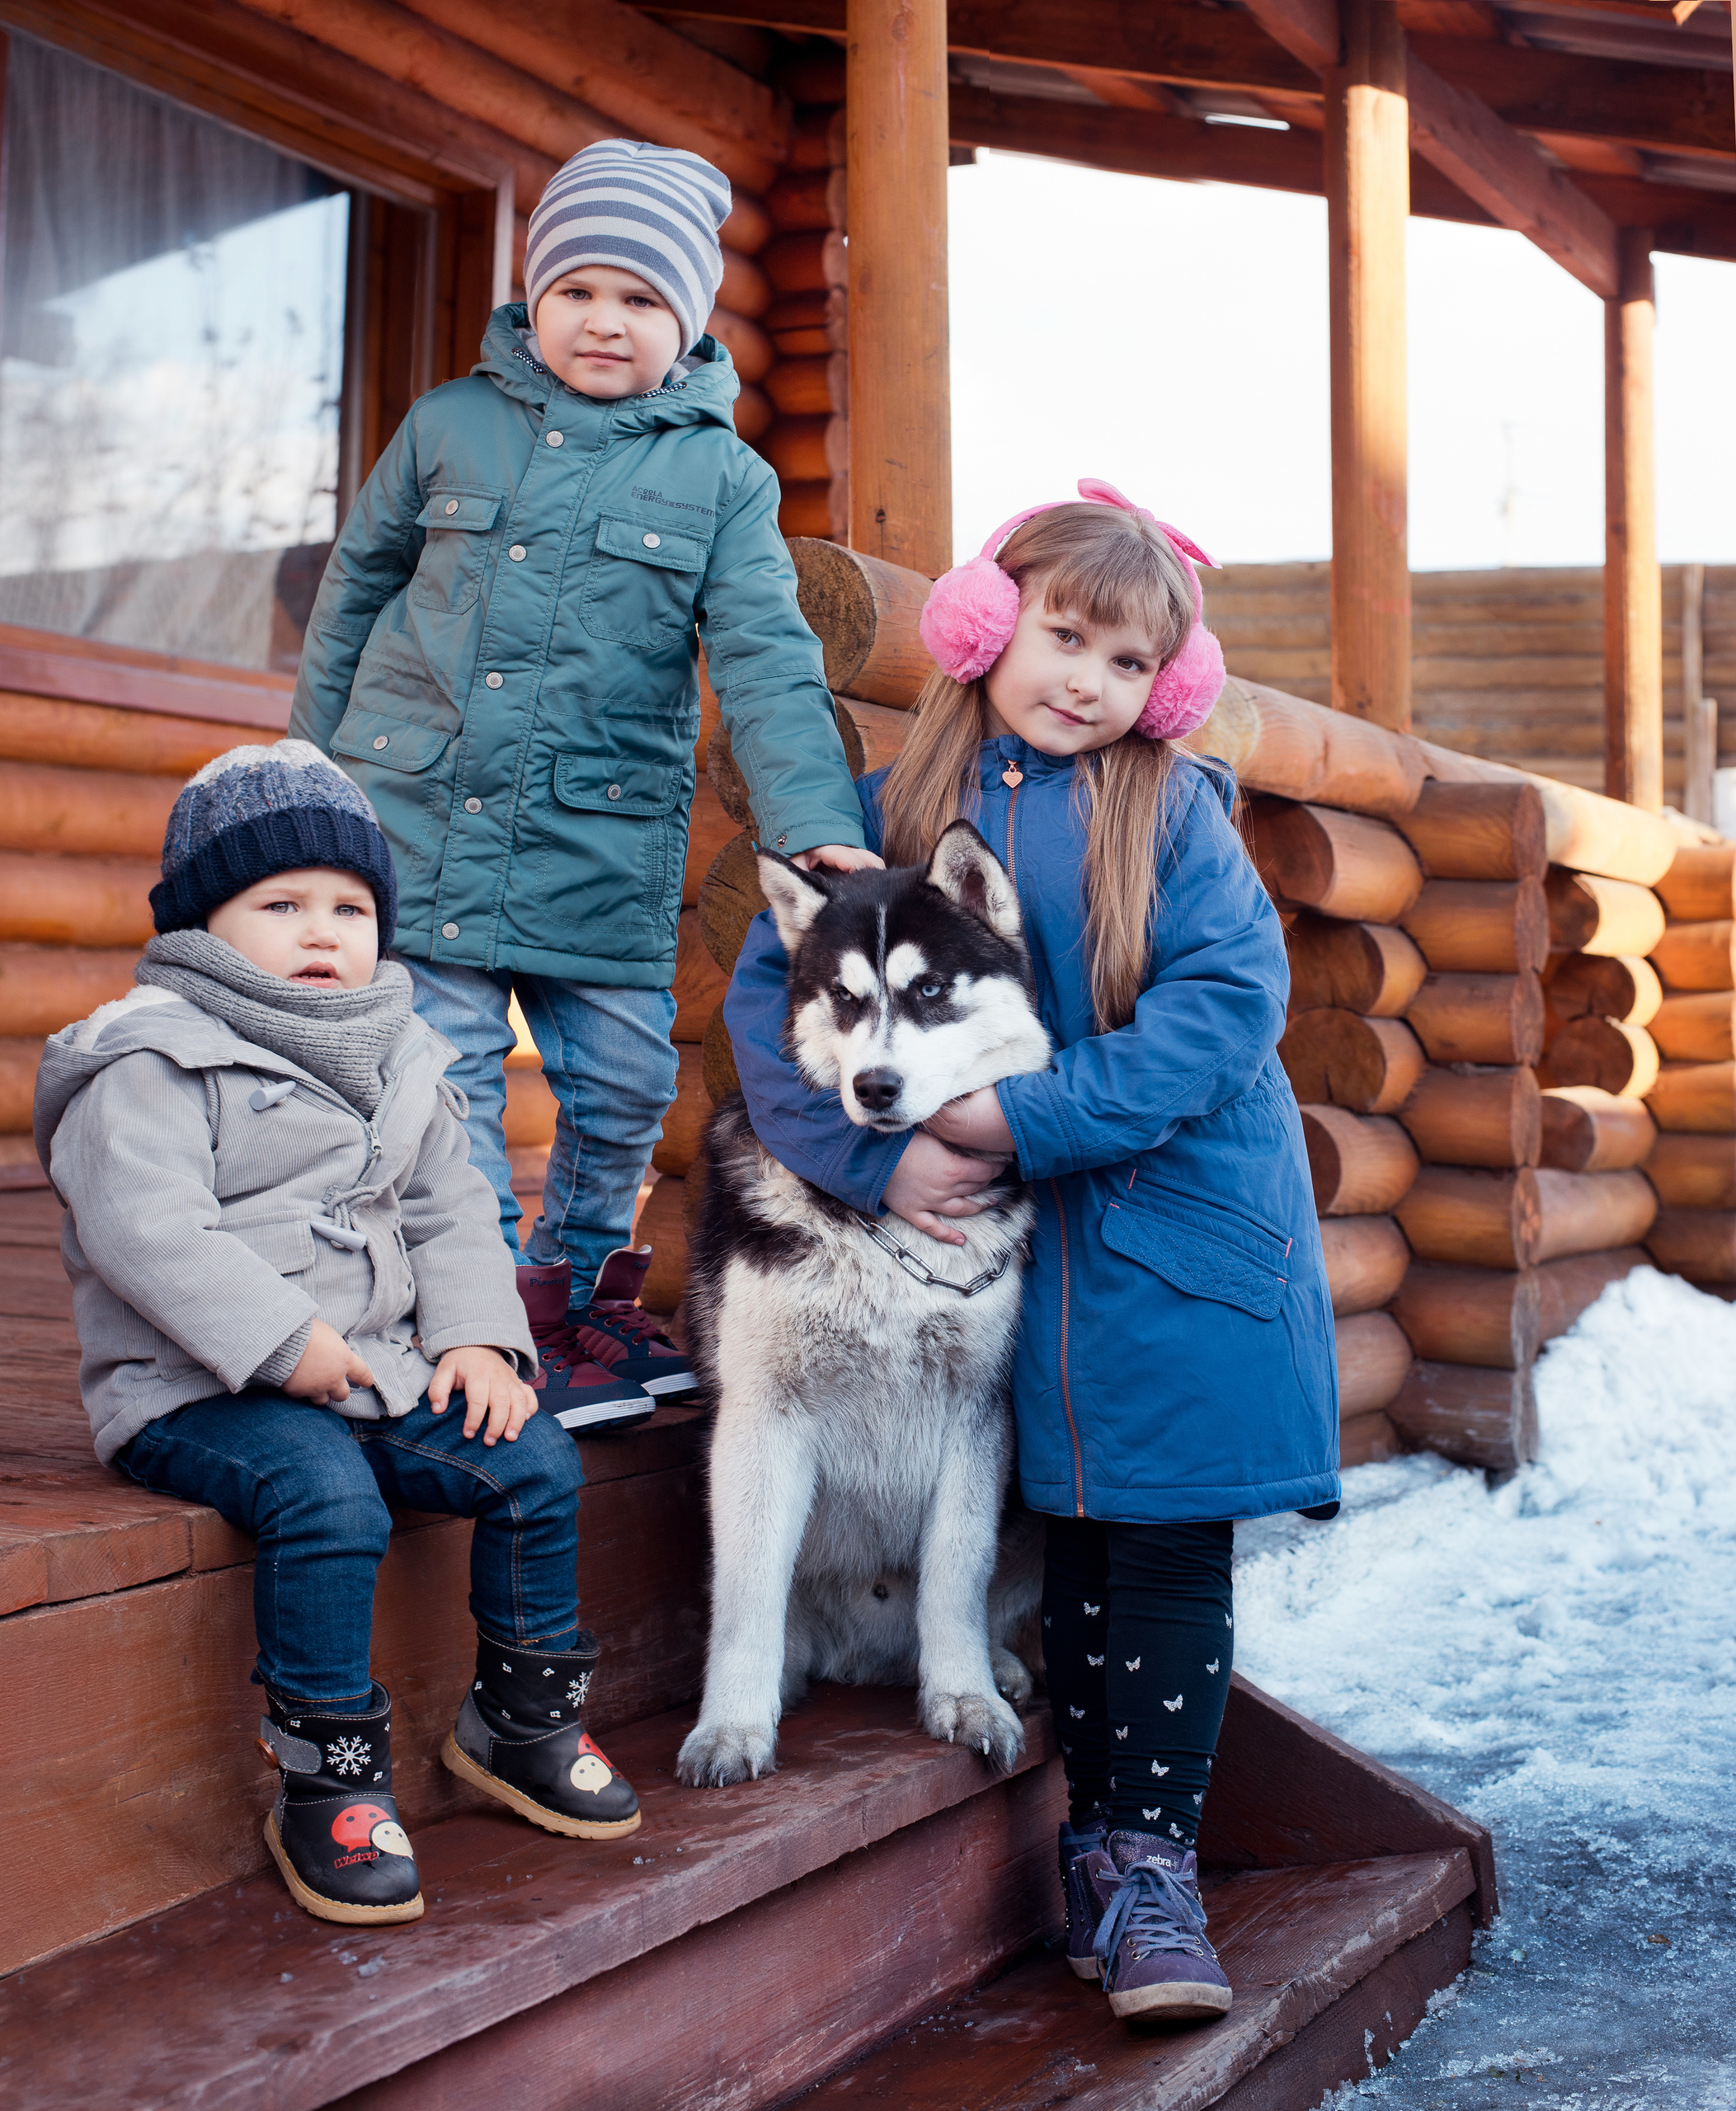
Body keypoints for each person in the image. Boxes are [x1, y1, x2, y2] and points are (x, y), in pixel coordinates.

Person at [723, 485, 1339, 2024]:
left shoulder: (1176, 813)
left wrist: (1014, 1118)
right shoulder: (873, 809)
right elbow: (767, 1011)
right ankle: (1097, 1859)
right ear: (985, 627)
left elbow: (1222, 1010)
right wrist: (882, 1153)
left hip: (1176, 1215)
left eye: (1131, 664)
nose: (1089, 683)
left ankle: (1150, 1866)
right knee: (1061, 1517)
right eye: (1064, 637)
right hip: (1004, 1243)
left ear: (1168, 689)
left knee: (1167, 1533)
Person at [288, 139, 876, 1427]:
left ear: (689, 322)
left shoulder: (722, 481)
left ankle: (578, 1291)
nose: (605, 321)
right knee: (443, 1080)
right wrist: (309, 783)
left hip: (594, 841)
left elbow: (770, 661)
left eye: (642, 300)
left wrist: (817, 824)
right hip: (416, 812)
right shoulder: (448, 424)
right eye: (579, 291)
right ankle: (479, 1305)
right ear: (533, 297)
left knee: (617, 1084)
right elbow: (353, 597)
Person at [33, 742, 643, 1930]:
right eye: (282, 903)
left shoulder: (396, 1050)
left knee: (530, 1462)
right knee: (330, 1499)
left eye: (350, 907)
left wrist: (474, 1338)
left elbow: (451, 1207)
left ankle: (520, 1718)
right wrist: (278, 1341)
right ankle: (330, 1777)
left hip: (377, 1371)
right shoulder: (149, 1055)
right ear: (204, 924)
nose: (324, 931)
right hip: (197, 1387)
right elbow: (145, 1232)